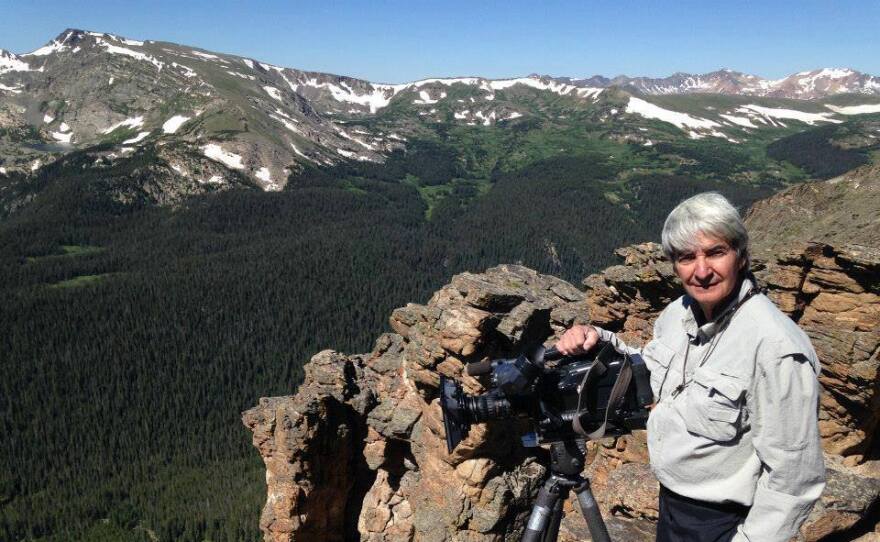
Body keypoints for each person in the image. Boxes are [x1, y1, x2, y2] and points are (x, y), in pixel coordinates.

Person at [555, 192, 825, 542]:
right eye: (686, 258)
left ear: (741, 256)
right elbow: (647, 370)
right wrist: (597, 337)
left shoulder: (776, 348)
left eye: (716, 252)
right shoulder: (678, 313)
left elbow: (796, 478)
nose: (701, 271)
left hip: (723, 522)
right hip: (671, 503)